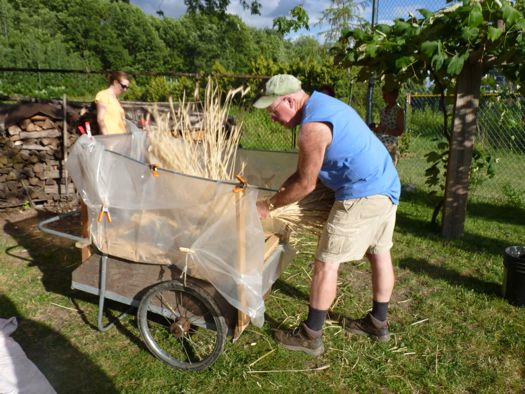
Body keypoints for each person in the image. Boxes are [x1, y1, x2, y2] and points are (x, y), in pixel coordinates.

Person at [254, 74, 400, 356]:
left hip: (362, 193)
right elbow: (304, 174)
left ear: (290, 99)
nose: (273, 118)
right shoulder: (324, 104)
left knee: (326, 262)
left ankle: (311, 335)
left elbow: (306, 183)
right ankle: (378, 323)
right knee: (379, 252)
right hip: (386, 185)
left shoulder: (313, 128)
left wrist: (268, 205)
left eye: (274, 111)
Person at [372, 87, 404, 166]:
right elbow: (381, 125)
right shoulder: (383, 110)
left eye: (386, 95)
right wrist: (377, 129)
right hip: (380, 138)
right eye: (383, 94)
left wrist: (386, 130)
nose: (383, 97)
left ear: (394, 95)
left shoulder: (398, 111)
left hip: (389, 141)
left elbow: (400, 131)